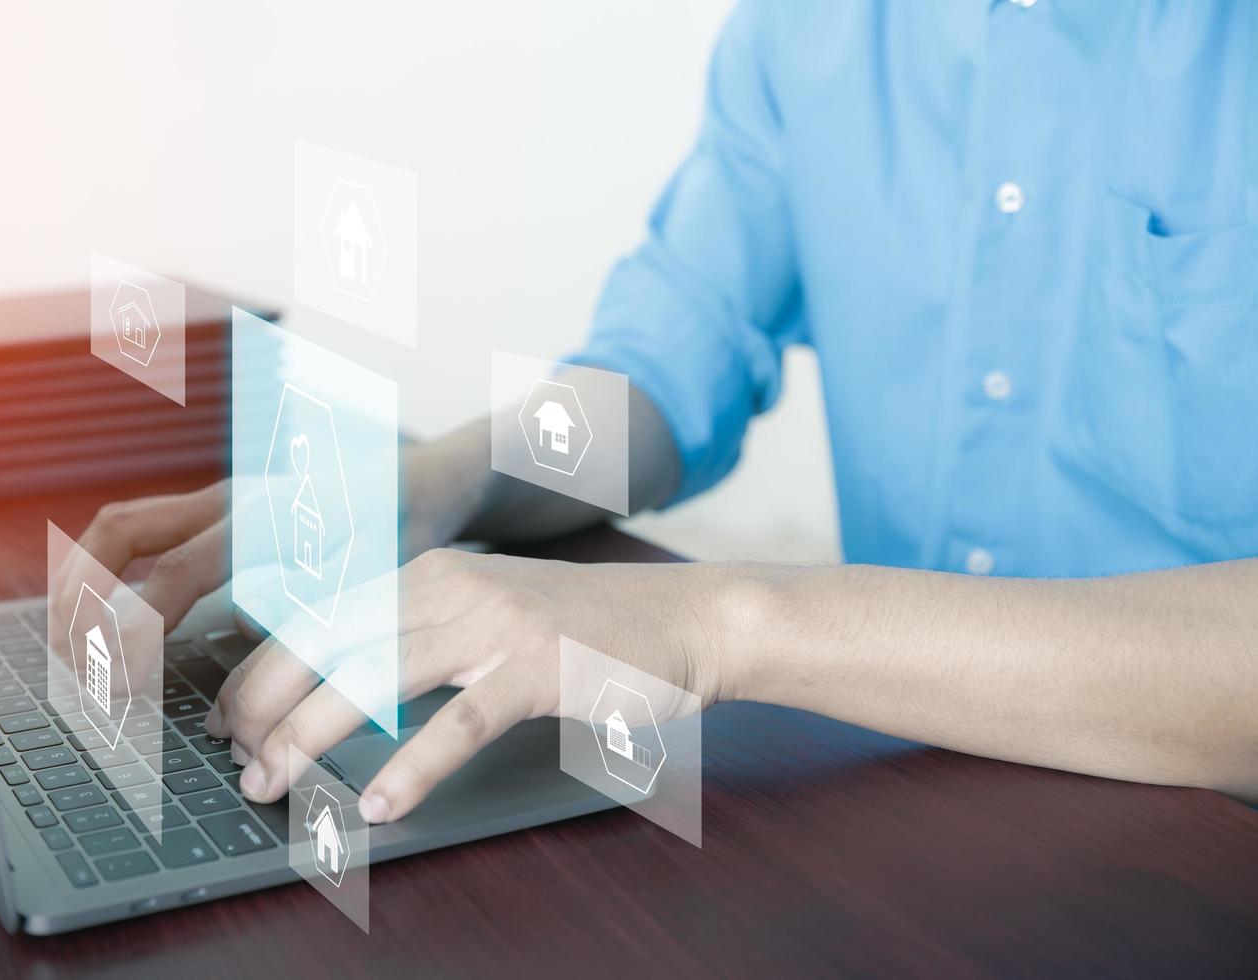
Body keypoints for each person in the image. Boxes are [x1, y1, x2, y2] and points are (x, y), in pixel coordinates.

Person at [74, 1, 1258, 823]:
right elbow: (664, 366)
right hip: (920, 799)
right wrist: (425, 488)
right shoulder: (813, 28)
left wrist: (714, 621)